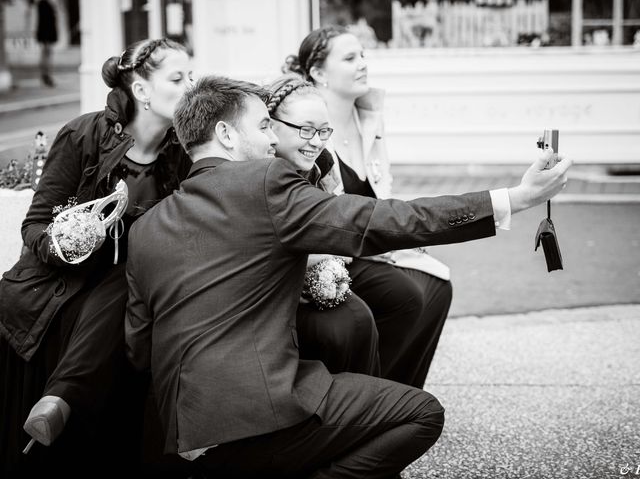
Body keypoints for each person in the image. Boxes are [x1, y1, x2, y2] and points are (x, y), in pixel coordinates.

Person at [124, 75, 570, 479]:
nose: (270, 140)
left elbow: (139, 348)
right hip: (257, 416)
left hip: (180, 434)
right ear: (224, 133)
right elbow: (386, 220)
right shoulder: (264, 182)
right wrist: (516, 198)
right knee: (421, 413)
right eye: (262, 127)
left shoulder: (145, 228)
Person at [0, 38, 193, 478]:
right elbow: (34, 225)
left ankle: (63, 399)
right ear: (142, 90)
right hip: (58, 290)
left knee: (133, 268)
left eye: (192, 77)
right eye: (178, 78)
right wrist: (68, 243)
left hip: (137, 293)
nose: (190, 87)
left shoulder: (185, 151)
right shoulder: (82, 135)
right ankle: (59, 401)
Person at [283, 25, 457, 388]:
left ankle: (401, 391)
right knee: (405, 293)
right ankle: (370, 396)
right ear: (317, 72)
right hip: (336, 246)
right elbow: (318, 215)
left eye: (363, 55)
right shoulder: (309, 130)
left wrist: (399, 238)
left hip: (372, 238)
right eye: (350, 58)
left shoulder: (370, 119)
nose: (363, 64)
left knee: (439, 284)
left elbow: (383, 189)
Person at [265, 74, 380, 376]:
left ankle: (379, 397)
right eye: (305, 130)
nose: (316, 141)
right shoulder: (260, 171)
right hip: (273, 287)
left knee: (403, 293)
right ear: (271, 124)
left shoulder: (323, 164)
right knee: (350, 321)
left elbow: (338, 222)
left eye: (324, 131)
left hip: (323, 267)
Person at [34, 0, 58, 87]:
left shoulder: (44, 4)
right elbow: (45, 22)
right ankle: (46, 76)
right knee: (46, 57)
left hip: (46, 36)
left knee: (46, 56)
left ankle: (46, 76)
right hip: (46, 36)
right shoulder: (44, 4)